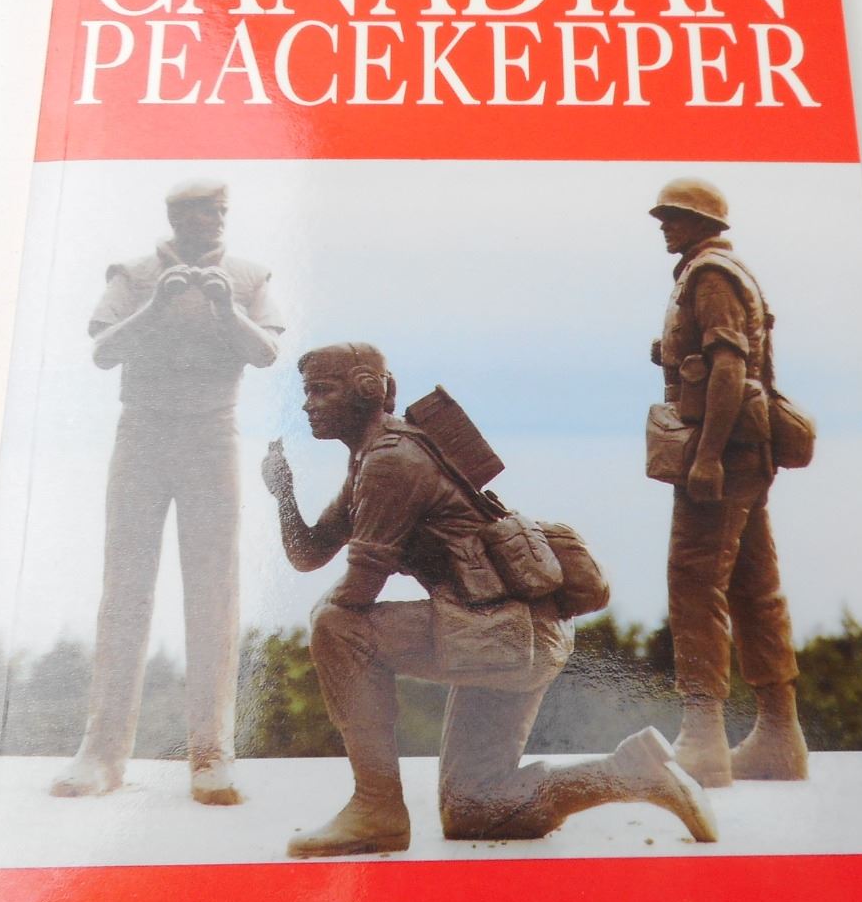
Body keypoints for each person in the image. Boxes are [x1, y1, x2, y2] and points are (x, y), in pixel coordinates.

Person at [261, 343, 717, 857]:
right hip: (509, 633)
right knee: (475, 807)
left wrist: (331, 624)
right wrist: (284, 495)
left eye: (321, 391)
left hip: (503, 634)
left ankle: (376, 806)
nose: (308, 405)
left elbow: (359, 589)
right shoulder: (374, 456)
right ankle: (631, 773)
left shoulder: (391, 461)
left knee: (335, 627)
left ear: (367, 390)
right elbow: (309, 553)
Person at [51, 178, 283, 803]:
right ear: (178, 217)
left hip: (212, 435)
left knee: (214, 593)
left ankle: (211, 754)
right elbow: (103, 352)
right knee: (125, 589)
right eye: (204, 211)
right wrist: (157, 304)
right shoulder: (133, 274)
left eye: (221, 211)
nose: (216, 220)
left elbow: (267, 353)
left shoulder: (248, 276)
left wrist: (226, 308)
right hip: (143, 434)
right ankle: (102, 753)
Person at [648, 177, 811, 788]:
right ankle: (779, 737)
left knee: (694, 582)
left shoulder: (710, 276)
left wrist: (708, 456)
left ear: (702, 222)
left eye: (674, 216)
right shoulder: (721, 272)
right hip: (748, 450)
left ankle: (703, 737)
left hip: (724, 451)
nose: (665, 226)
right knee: (752, 587)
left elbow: (730, 369)